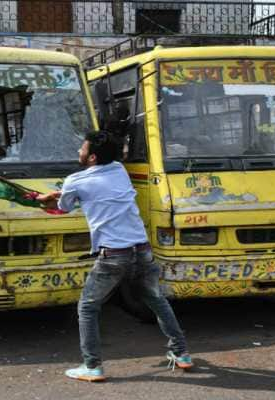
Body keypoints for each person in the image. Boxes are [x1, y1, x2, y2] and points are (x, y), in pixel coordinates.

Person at [36, 130, 192, 382]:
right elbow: (92, 193)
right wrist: (59, 194)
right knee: (156, 300)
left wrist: (42, 200)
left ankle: (92, 366)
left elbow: (61, 207)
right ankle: (182, 353)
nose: (79, 152)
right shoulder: (119, 169)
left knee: (87, 307)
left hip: (113, 256)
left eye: (82, 149)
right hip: (142, 250)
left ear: (92, 157)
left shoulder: (75, 180)